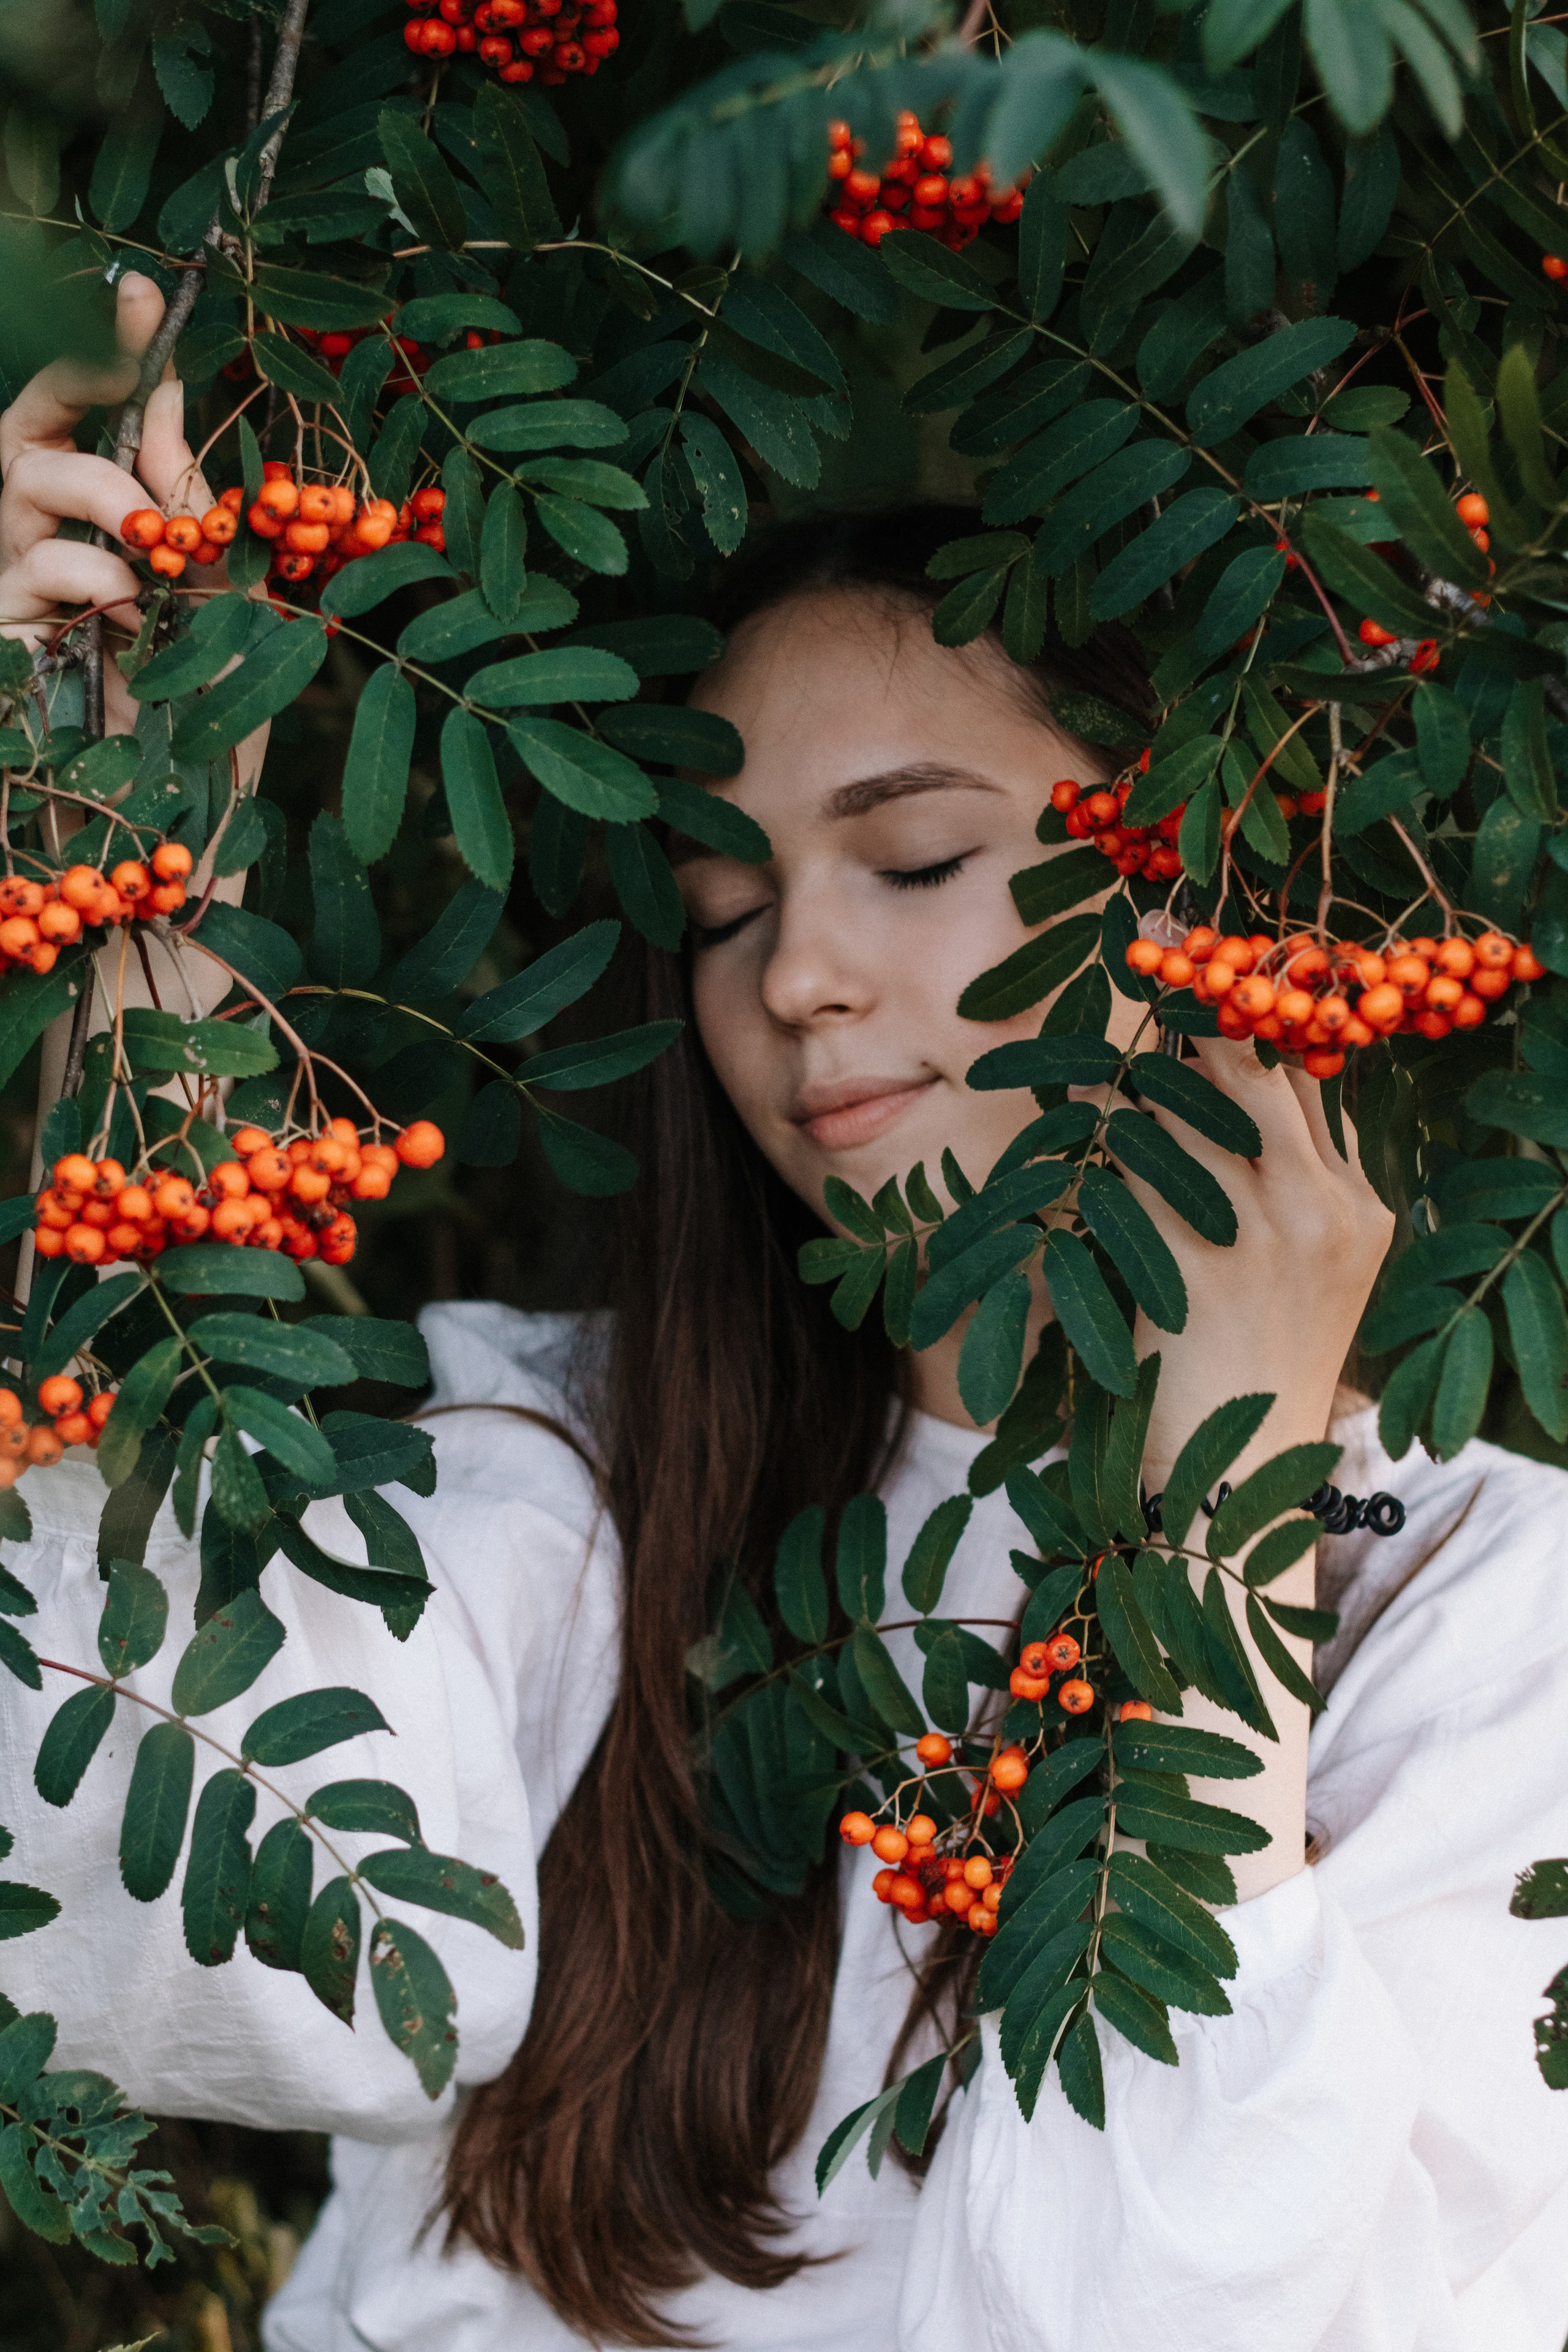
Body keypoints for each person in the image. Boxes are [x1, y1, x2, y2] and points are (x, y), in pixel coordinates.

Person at [1, 279, 1567, 2352]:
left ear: (1193, 887)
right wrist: (131, 949)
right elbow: (192, 1976)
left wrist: (1223, 1517)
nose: (798, 977)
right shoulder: (541, 1454)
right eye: (724, 911)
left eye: (912, 859)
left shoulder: (1491, 1598)